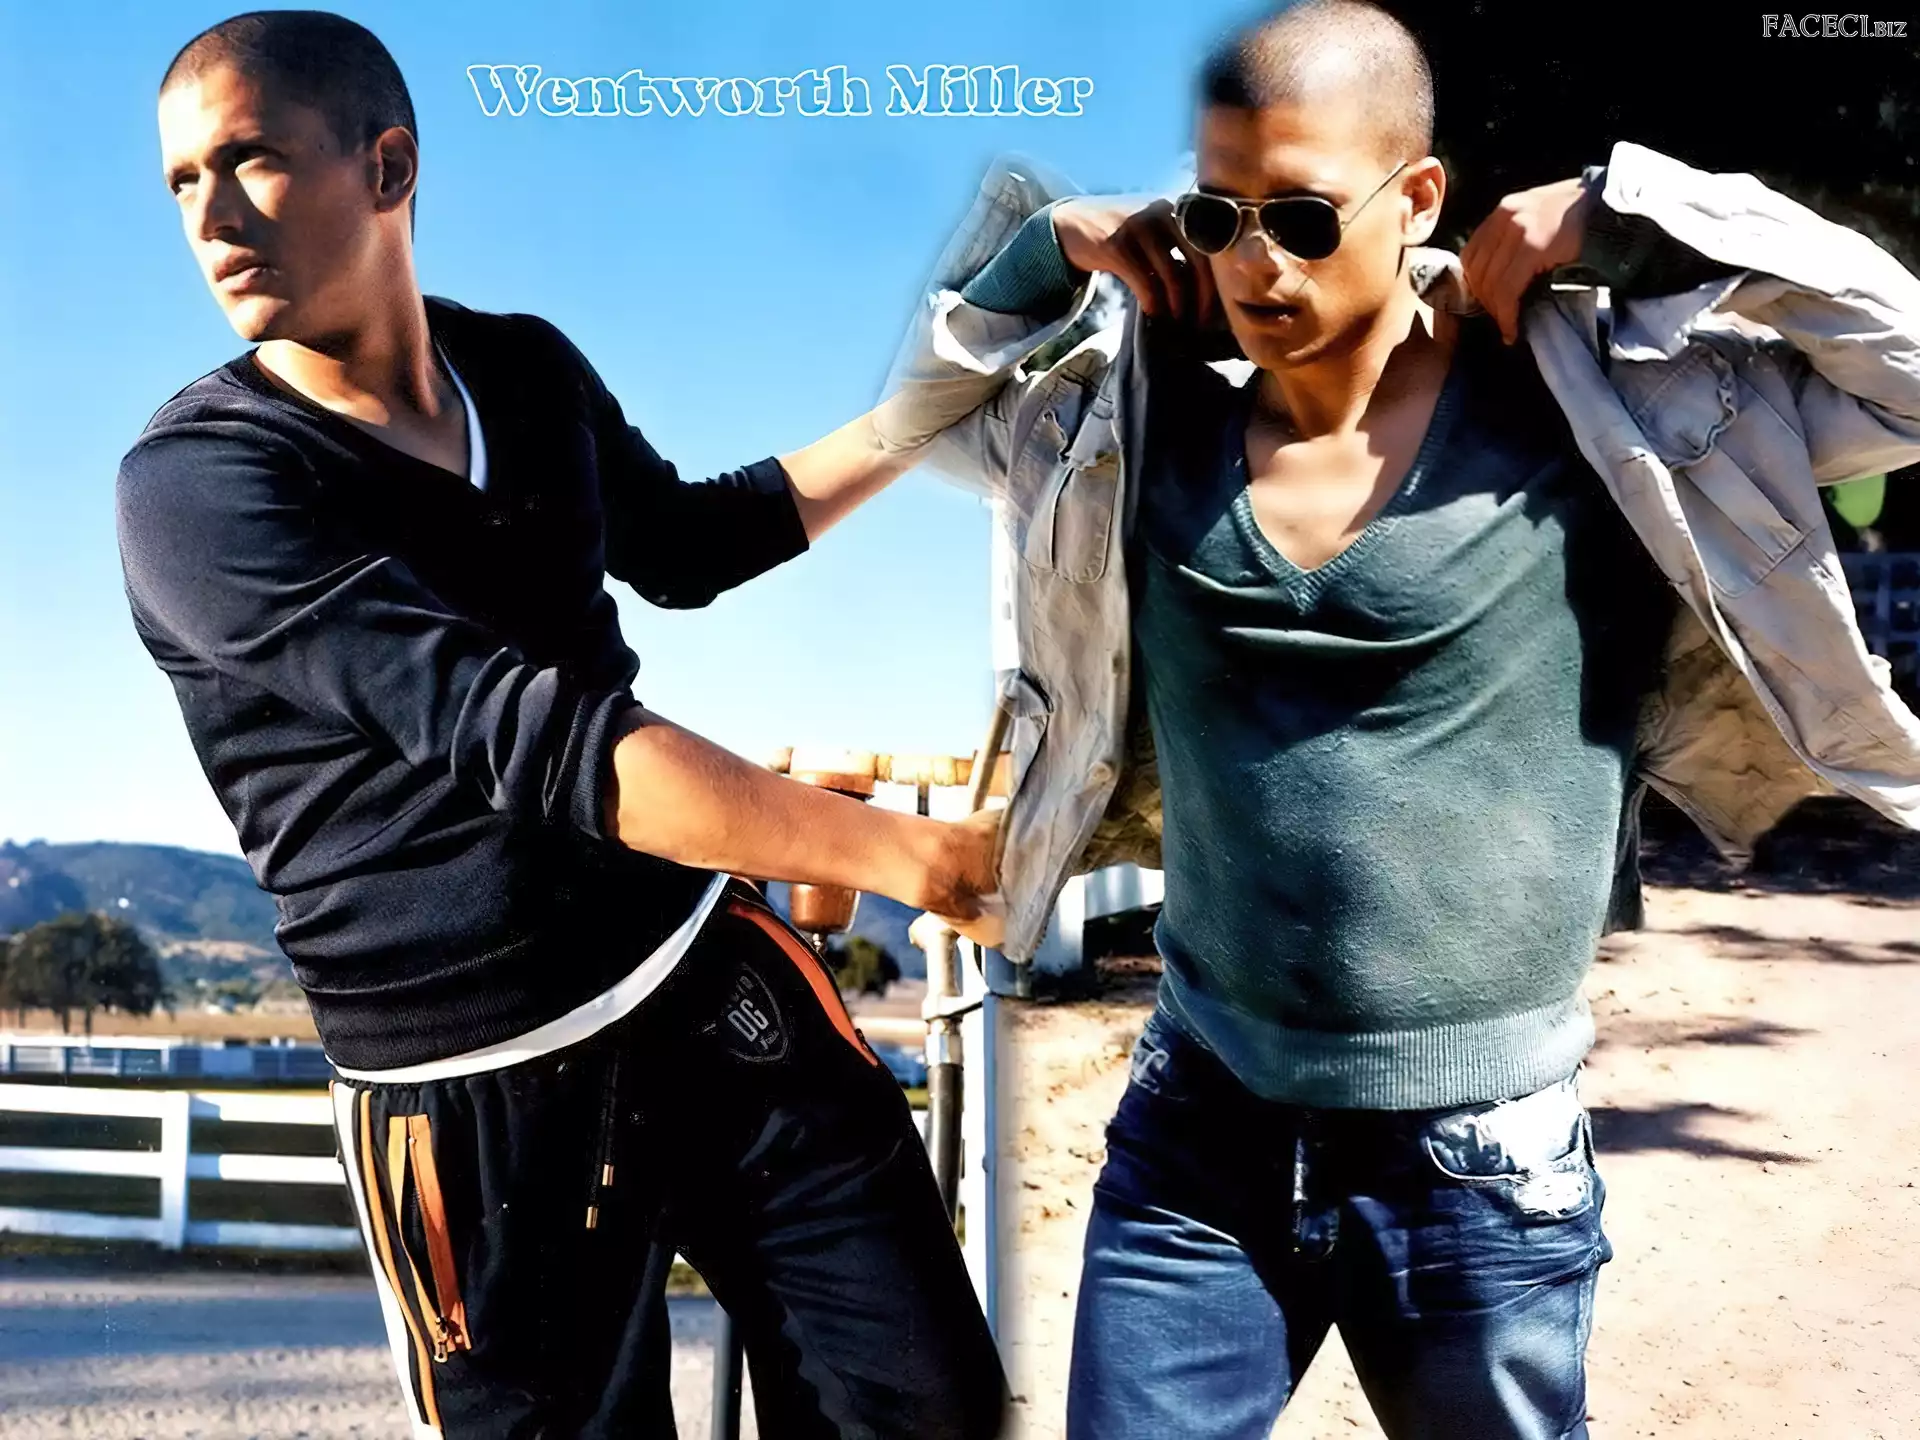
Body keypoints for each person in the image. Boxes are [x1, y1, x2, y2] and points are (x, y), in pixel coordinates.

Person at [874, 1, 1920, 1436]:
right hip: (1199, 1134)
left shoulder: (1587, 407)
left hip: (1481, 1164)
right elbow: (928, 414)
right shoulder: (1138, 425)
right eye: (1218, 216)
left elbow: (1905, 369)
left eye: (1304, 219)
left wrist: (1638, 211)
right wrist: (1046, 247)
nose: (1257, 263)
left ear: (1417, 196)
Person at [118, 12, 1007, 1438]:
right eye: (181, 182)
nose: (210, 217)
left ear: (387, 167)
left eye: (253, 160)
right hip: (471, 1094)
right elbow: (538, 740)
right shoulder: (201, 485)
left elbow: (692, 543)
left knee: (930, 1407)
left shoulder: (524, 369)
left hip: (706, 981)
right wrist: (911, 858)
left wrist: (931, 411)